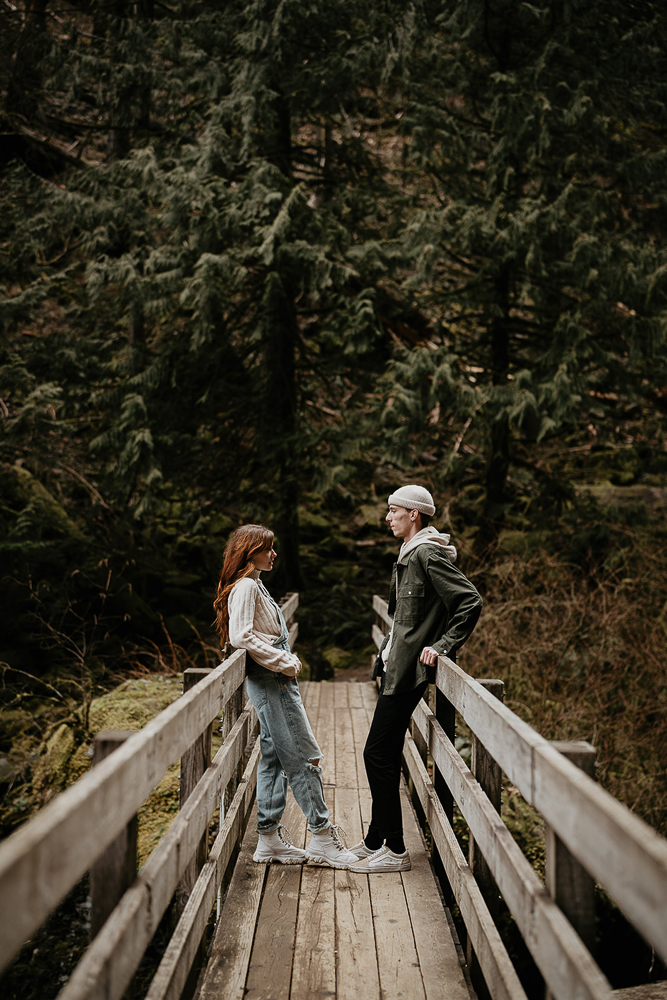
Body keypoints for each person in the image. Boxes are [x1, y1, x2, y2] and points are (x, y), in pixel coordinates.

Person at [349, 485, 483, 874]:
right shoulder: (408, 554)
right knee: (385, 753)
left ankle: (395, 850)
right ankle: (376, 839)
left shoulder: (426, 553)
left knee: (376, 753)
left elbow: (469, 600)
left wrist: (442, 645)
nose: (388, 517)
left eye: (394, 511)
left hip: (410, 673)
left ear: (415, 515)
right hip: (397, 669)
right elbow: (403, 621)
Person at [214, 523, 358, 869]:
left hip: (271, 680)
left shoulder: (255, 585)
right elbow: (241, 636)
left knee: (274, 756)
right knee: (302, 756)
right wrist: (285, 662)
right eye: (268, 548)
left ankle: (268, 839)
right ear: (249, 553)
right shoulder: (247, 586)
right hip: (272, 680)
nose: (274, 554)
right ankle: (322, 837)